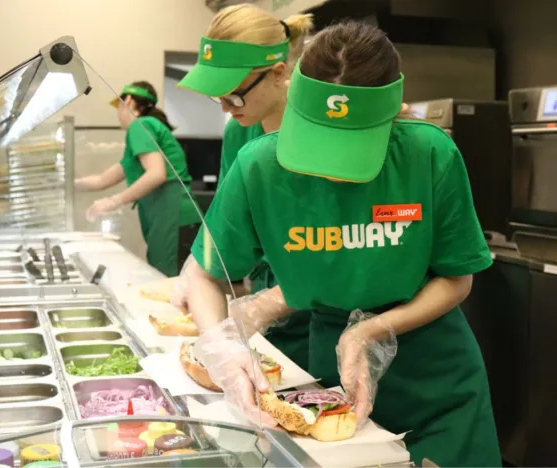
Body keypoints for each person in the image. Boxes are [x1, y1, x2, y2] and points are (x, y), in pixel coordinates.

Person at [182, 20, 501, 467]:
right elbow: (203, 274)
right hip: (333, 378)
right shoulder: (259, 166)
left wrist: (370, 331)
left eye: (355, 145)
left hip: (438, 380)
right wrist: (224, 349)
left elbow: (456, 278)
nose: (334, 169)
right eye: (321, 141)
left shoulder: (430, 154)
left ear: (391, 116)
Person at [173, 4, 314, 370]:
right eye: (216, 96)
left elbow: (345, 240)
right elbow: (229, 214)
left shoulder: (321, 128)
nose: (224, 108)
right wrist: (201, 266)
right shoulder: (241, 129)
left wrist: (273, 302)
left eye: (234, 95)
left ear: (278, 73)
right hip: (269, 295)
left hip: (334, 310)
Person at [75, 81, 200, 277]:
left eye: (119, 106)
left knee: (171, 285)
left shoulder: (141, 125)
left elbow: (156, 174)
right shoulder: (146, 131)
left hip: (173, 219)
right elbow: (102, 180)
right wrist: (64, 184)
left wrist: (113, 201)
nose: (118, 114)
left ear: (130, 102)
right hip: (172, 220)